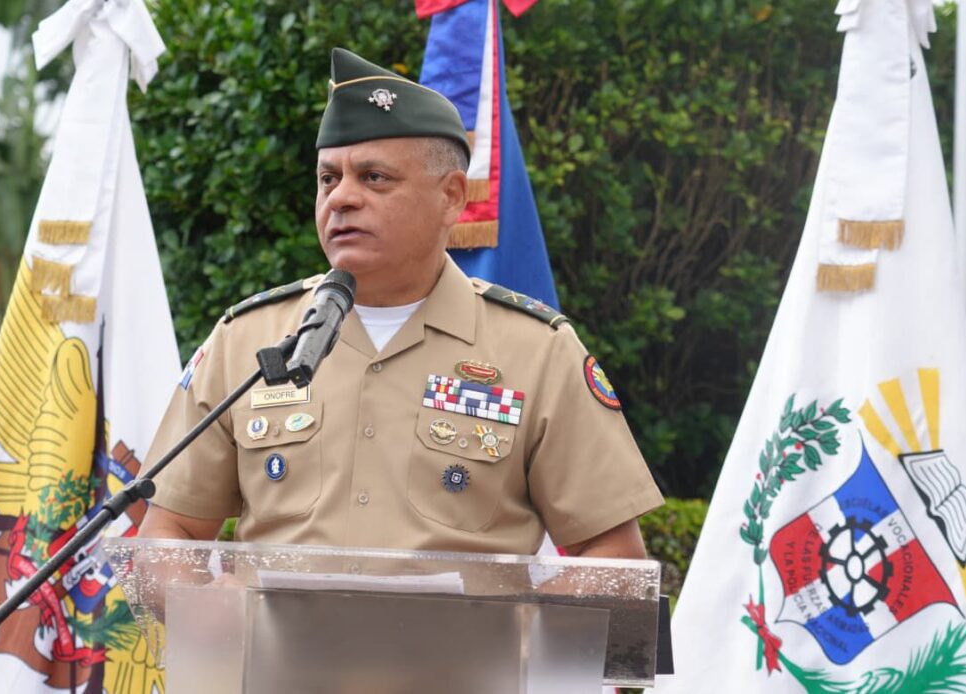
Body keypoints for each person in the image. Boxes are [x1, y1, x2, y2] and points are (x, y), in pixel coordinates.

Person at [138, 47, 663, 560]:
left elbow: (611, 554)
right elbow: (171, 526)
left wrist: (524, 631)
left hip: (466, 651)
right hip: (279, 651)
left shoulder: (537, 351)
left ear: (452, 196)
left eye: (374, 178)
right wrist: (213, 607)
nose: (341, 197)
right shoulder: (248, 340)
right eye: (328, 178)